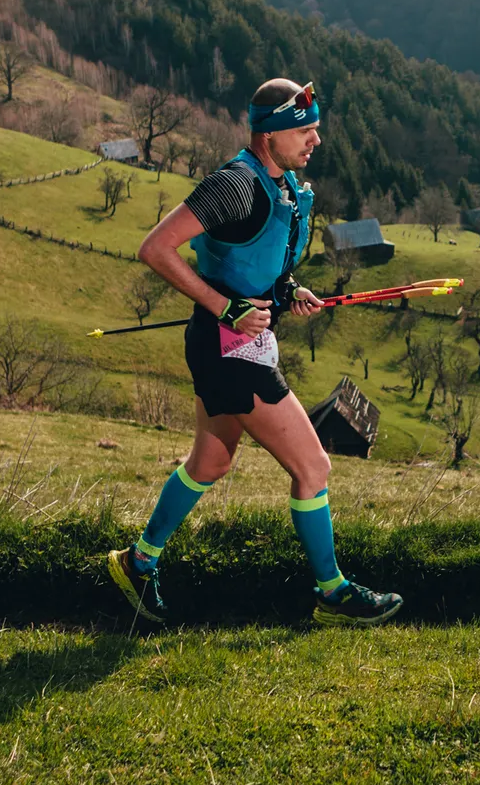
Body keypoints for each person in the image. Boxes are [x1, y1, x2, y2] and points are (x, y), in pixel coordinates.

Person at [107, 77, 404, 627]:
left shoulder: (285, 186)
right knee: (313, 466)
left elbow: (253, 263)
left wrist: (289, 292)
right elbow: (156, 248)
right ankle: (332, 593)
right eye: (305, 131)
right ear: (269, 135)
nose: (315, 141)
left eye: (316, 130)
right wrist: (225, 308)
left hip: (235, 341)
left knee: (211, 461)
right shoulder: (235, 184)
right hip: (228, 348)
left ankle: (137, 563)